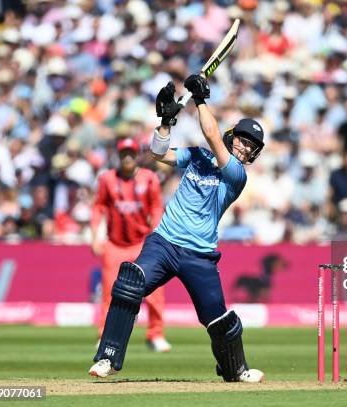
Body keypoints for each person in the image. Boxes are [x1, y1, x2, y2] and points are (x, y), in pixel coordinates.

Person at [89, 75, 265, 383]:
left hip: (199, 253)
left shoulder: (236, 175)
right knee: (129, 283)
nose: (245, 149)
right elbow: (158, 155)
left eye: (251, 147)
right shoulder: (197, 156)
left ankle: (235, 369)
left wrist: (200, 99)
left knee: (218, 320)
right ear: (232, 136)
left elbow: (210, 132)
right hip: (165, 242)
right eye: (242, 140)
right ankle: (108, 358)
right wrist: (166, 123)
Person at [90, 137, 171, 352]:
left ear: (137, 155)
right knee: (109, 293)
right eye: (124, 153)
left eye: (131, 153)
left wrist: (157, 233)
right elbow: (98, 207)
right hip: (115, 245)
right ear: (119, 155)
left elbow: (156, 207)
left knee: (154, 292)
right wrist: (95, 235)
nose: (128, 157)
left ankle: (156, 334)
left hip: (142, 244)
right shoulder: (107, 179)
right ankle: (104, 336)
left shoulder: (149, 178)